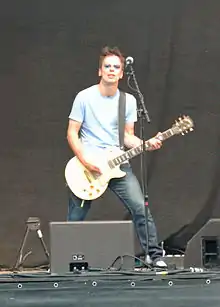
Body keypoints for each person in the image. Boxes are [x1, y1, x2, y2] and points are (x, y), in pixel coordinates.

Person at [66, 46, 167, 268]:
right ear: (99, 71)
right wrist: (85, 161)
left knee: (140, 207)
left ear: (122, 73)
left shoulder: (128, 101)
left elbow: (126, 137)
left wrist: (145, 144)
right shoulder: (84, 97)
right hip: (87, 166)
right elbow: (72, 132)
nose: (112, 70)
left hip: (117, 164)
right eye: (107, 66)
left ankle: (155, 255)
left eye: (116, 67)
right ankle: (68, 259)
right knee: (76, 216)